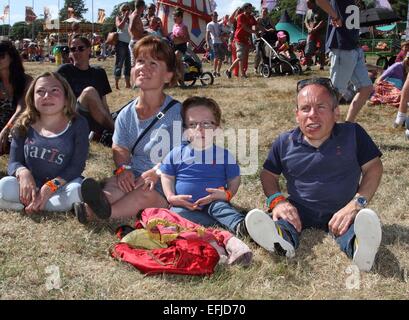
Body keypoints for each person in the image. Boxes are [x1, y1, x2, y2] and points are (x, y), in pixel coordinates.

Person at [245, 77, 383, 272]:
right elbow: (268, 174)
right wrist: (278, 201)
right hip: (299, 209)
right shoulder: (285, 142)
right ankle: (280, 240)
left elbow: (374, 167)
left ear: (336, 112)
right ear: (296, 115)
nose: (312, 115)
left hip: (342, 209)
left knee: (353, 227)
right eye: (305, 109)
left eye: (321, 107)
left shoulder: (353, 134)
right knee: (283, 221)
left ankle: (361, 248)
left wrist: (356, 204)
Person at [76, 35, 183, 222]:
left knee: (143, 195)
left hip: (165, 181)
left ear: (168, 75)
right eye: (140, 61)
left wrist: (157, 172)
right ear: (133, 70)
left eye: (153, 63)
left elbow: (185, 153)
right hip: (134, 174)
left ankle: (99, 213)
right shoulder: (126, 113)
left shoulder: (178, 113)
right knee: (116, 185)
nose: (144, 68)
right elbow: (120, 147)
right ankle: (100, 202)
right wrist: (123, 169)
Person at [0, 72, 89, 213]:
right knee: (4, 185)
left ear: (66, 98)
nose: (47, 96)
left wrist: (50, 187)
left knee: (77, 190)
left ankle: (28, 205)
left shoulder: (78, 124)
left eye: (54, 90)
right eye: (40, 91)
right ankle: (43, 204)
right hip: (30, 187)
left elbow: (76, 166)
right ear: (32, 98)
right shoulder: (23, 124)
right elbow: (13, 163)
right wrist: (23, 173)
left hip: (62, 185)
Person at [160, 96, 248, 237]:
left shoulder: (224, 155)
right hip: (184, 205)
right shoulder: (177, 153)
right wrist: (170, 196)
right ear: (185, 130)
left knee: (220, 208)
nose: (199, 129)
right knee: (173, 216)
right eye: (192, 124)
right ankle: (217, 225)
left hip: (214, 202)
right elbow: (166, 175)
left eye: (206, 124)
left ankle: (242, 227)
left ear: (217, 129)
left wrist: (227, 194)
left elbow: (234, 178)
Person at [316, 0, 373, 123]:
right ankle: (322, 127)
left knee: (366, 88)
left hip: (353, 46)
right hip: (342, 46)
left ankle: (348, 125)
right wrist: (335, 15)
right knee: (335, 93)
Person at [57, 36, 114, 143]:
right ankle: (118, 133)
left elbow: (104, 103)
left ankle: (105, 131)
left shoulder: (99, 72)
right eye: (73, 49)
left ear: (89, 50)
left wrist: (108, 119)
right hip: (73, 117)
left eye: (80, 48)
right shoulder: (65, 71)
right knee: (89, 92)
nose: (76, 51)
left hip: (94, 118)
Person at [0, 40, 32, 157]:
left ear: (12, 58)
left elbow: (22, 107)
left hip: (19, 125)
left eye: (1, 55)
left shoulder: (26, 81)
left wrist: (7, 128)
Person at [225, 3, 257, 79]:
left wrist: (265, 30)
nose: (251, 9)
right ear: (245, 9)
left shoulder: (251, 17)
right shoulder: (240, 16)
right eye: (249, 8)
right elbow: (244, 27)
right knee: (240, 57)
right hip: (238, 39)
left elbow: (256, 25)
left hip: (246, 39)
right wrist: (254, 32)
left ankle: (230, 71)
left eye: (251, 8)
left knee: (243, 58)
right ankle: (241, 74)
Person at [304, 0, 327, 71]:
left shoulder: (321, 9)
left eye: (308, 4)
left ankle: (322, 66)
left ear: (313, 3)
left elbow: (324, 21)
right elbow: (306, 21)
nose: (307, 6)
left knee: (322, 50)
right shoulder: (308, 11)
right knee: (307, 50)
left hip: (321, 33)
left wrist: (315, 28)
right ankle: (308, 66)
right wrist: (309, 28)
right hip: (311, 33)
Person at [115, 3, 132, 89]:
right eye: (124, 10)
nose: (126, 11)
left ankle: (127, 83)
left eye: (128, 9)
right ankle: (117, 84)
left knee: (128, 64)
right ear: (121, 11)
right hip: (121, 43)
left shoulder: (131, 19)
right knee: (119, 63)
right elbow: (120, 26)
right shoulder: (119, 17)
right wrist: (125, 17)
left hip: (130, 43)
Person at [206, 11, 226, 77]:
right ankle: (214, 71)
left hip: (221, 42)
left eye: (216, 15)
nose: (215, 17)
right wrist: (207, 43)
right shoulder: (209, 24)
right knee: (216, 57)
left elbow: (224, 31)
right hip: (215, 42)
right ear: (211, 16)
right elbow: (207, 35)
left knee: (221, 58)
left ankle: (218, 71)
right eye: (214, 15)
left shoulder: (219, 24)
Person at [129, 0, 146, 67]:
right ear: (142, 6)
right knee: (135, 64)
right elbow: (131, 28)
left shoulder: (134, 14)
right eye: (144, 7)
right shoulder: (135, 15)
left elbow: (130, 29)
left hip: (135, 41)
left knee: (136, 63)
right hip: (136, 42)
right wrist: (141, 35)